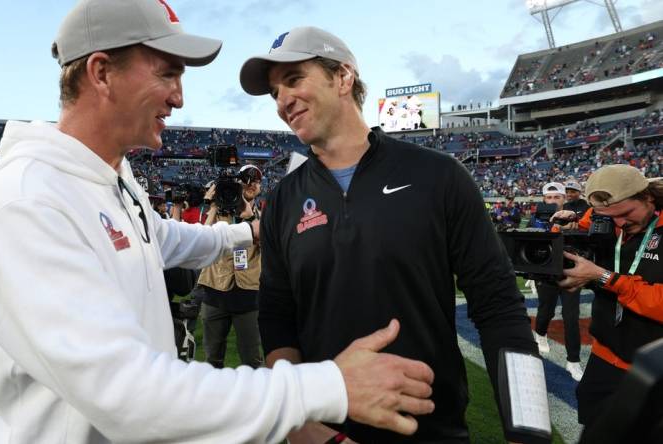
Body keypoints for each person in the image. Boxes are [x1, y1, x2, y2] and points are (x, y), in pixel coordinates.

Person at [0, 2, 434, 443]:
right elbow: (127, 393)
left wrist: (248, 231)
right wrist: (329, 386)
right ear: (101, 73)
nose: (180, 98)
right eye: (168, 73)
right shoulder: (28, 201)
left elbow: (160, 237)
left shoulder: (109, 177)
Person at [240, 26, 541, 443]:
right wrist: (300, 424)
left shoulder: (438, 176)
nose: (282, 101)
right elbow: (277, 317)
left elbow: (498, 306)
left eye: (293, 80)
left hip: (430, 429)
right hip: (325, 434)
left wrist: (530, 432)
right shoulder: (285, 200)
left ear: (343, 78)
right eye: (274, 92)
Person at [556, 164, 663, 427]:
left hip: (654, 367)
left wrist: (603, 277)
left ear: (648, 197)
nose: (620, 223)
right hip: (604, 354)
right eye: (609, 217)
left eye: (625, 214)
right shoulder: (607, 219)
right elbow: (575, 244)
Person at [198, 164, 264, 369]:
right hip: (214, 291)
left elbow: (269, 245)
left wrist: (250, 217)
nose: (251, 183)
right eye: (246, 179)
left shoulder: (263, 215)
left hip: (248, 296)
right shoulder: (218, 213)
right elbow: (201, 244)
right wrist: (214, 206)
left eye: (256, 180)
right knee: (211, 360)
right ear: (237, 183)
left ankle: (256, 400)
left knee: (252, 360)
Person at [528, 182, 584, 381]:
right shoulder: (536, 219)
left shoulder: (573, 217)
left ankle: (574, 361)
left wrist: (574, 224)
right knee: (546, 311)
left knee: (571, 317)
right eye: (549, 198)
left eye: (557, 197)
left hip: (569, 272)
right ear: (544, 199)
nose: (552, 201)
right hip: (546, 274)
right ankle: (541, 334)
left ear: (564, 199)